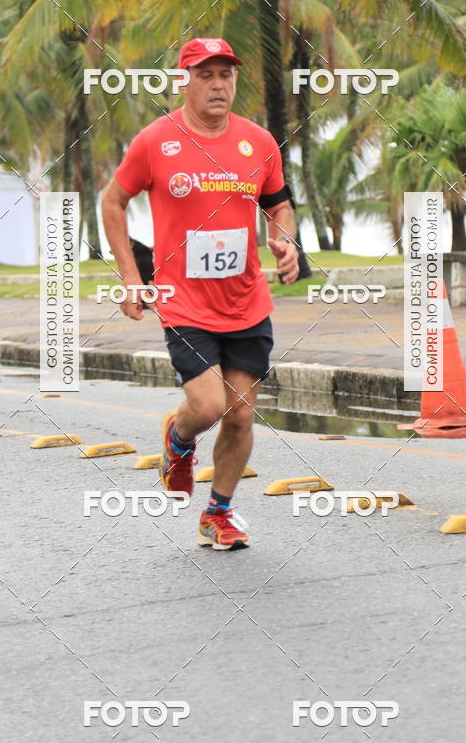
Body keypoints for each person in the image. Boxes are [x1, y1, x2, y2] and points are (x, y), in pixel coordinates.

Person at [102, 37, 299, 551]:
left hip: (247, 300)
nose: (217, 85)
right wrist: (131, 277)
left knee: (241, 414)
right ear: (183, 80)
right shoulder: (155, 141)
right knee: (209, 406)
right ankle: (179, 437)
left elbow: (279, 205)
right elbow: (113, 202)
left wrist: (285, 241)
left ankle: (218, 514)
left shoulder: (258, 142)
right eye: (205, 74)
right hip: (185, 302)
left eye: (225, 74)